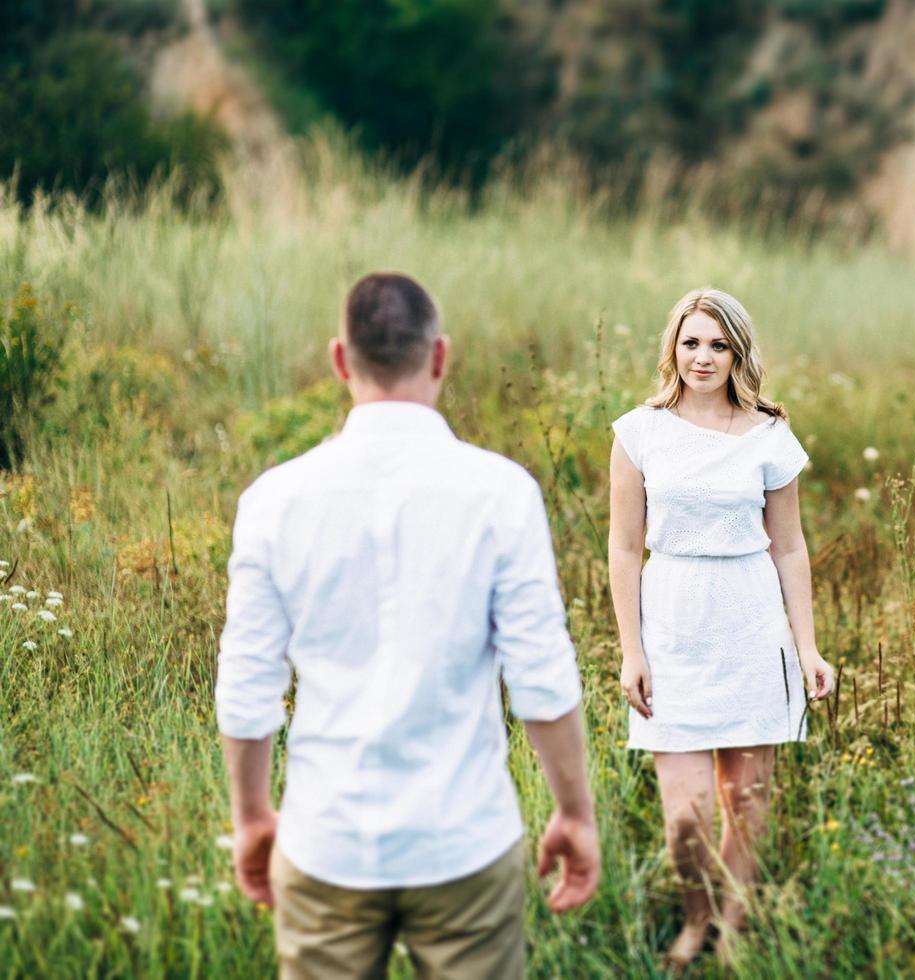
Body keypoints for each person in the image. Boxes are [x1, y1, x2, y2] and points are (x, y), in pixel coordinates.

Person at [216, 272, 600, 978]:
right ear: (441, 356)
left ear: (339, 360)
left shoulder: (274, 501)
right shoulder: (501, 493)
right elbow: (542, 678)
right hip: (463, 840)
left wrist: (250, 818)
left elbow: (246, 687)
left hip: (326, 837)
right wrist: (574, 811)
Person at [607, 287, 835, 966]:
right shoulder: (638, 432)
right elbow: (623, 547)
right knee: (687, 810)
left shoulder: (769, 434)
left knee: (748, 797)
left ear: (738, 352)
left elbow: (790, 547)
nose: (703, 357)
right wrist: (631, 650)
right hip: (672, 617)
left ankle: (733, 929)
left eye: (718, 344)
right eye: (691, 342)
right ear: (672, 348)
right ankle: (693, 919)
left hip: (750, 617)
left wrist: (808, 647)